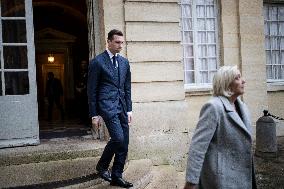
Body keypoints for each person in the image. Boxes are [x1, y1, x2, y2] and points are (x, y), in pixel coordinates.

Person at [184, 66, 257, 189]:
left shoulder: (242, 107)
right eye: (237, 78)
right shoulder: (213, 107)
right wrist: (191, 182)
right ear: (227, 84)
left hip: (243, 179)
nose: (243, 81)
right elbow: (198, 147)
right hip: (221, 181)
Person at [87, 29, 133, 188]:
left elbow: (127, 88)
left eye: (122, 42)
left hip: (123, 106)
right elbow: (91, 90)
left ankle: (117, 175)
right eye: (117, 42)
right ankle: (102, 165)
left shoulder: (125, 62)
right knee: (118, 138)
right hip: (107, 106)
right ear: (109, 42)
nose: (121, 45)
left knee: (124, 141)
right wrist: (94, 114)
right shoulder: (98, 62)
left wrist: (129, 110)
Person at [75, 60, 89, 126]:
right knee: (81, 106)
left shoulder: (89, 72)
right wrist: (77, 88)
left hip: (86, 93)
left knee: (86, 106)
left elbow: (89, 83)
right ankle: (82, 120)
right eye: (82, 63)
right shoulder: (79, 72)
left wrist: (83, 89)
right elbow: (77, 81)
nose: (83, 65)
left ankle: (87, 121)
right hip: (80, 93)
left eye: (84, 63)